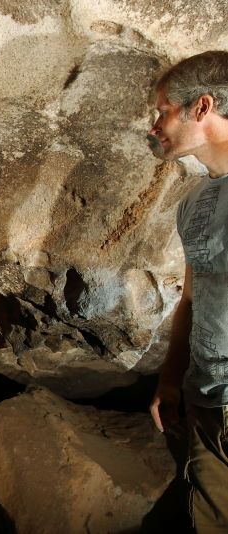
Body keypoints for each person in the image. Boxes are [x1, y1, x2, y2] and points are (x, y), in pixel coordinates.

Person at [147, 51, 228, 532]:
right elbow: (193, 299)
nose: (155, 124)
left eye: (162, 111)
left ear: (201, 107)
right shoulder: (194, 201)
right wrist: (172, 377)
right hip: (206, 405)